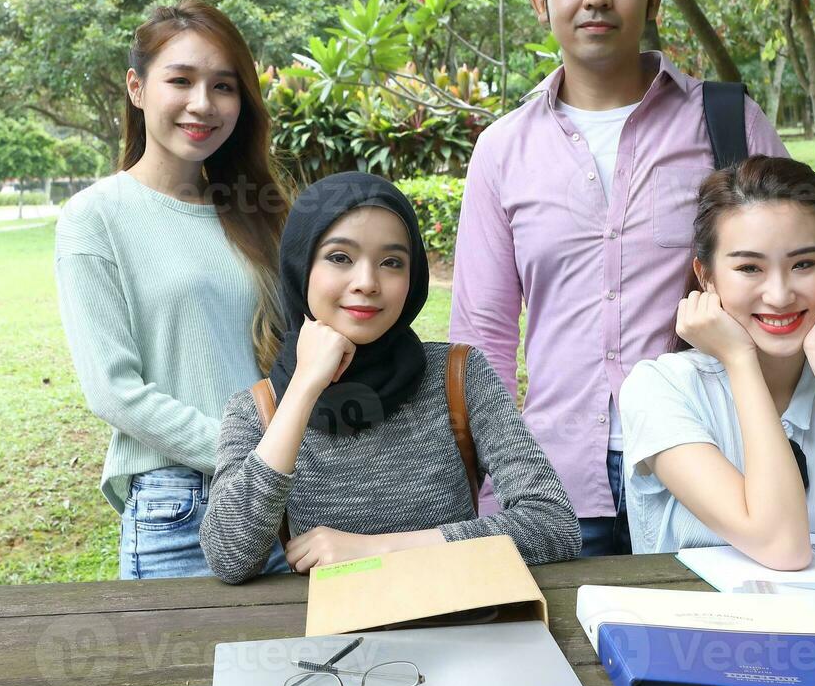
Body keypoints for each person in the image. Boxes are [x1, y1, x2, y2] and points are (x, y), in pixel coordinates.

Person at [449, 0, 787, 557]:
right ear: (543, 1)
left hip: (713, 461)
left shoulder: (726, 123)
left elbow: (794, 279)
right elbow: (481, 335)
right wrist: (489, 484)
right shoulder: (504, 150)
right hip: (556, 480)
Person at [200, 172, 581, 584]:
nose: (367, 283)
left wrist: (378, 550)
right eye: (340, 258)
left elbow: (553, 524)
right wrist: (303, 388)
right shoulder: (256, 409)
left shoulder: (460, 376)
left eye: (391, 263)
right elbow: (228, 556)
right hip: (336, 642)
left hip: (458, 624)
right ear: (301, 266)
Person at [54, 0, 292, 579]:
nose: (202, 104)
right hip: (182, 507)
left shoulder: (259, 212)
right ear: (137, 88)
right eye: (180, 80)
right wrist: (252, 455)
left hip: (292, 499)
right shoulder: (96, 217)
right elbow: (113, 390)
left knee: (307, 669)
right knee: (189, 674)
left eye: (223, 86)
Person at [619, 156, 815, 569]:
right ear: (707, 276)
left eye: (803, 264)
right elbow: (781, 546)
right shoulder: (660, 390)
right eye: (749, 267)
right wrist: (739, 359)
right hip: (704, 631)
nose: (780, 294)